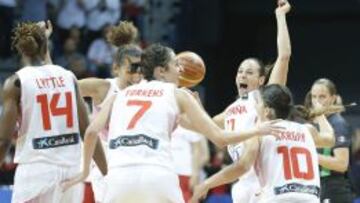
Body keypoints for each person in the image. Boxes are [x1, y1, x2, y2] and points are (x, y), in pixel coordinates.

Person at [62, 43, 284, 203]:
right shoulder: (177, 94)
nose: (180, 70)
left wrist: (84, 172)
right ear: (161, 71)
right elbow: (219, 137)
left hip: (118, 177)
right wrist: (257, 130)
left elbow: (91, 132)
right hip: (157, 175)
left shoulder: (119, 94)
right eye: (174, 65)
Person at [0, 21, 106, 203]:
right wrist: (107, 173)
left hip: (36, 171)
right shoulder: (68, 76)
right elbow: (87, 130)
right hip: (70, 172)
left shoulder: (16, 82)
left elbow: (4, 141)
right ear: (46, 47)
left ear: (21, 50)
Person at [192, 84, 336, 203]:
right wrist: (320, 113)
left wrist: (207, 183)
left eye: (258, 103)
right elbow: (330, 139)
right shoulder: (308, 130)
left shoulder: (259, 134)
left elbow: (242, 166)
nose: (255, 107)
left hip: (278, 198)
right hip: (310, 198)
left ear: (266, 110)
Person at [212, 0, 292, 202]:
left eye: (249, 72)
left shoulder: (265, 97)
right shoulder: (231, 109)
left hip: (263, 179)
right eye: (240, 71)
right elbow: (209, 125)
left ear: (261, 80)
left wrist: (280, 16)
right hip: (241, 182)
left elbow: (284, 56)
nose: (242, 76)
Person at [79, 21, 143, 203]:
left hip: (135, 161)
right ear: (116, 68)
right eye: (131, 69)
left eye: (140, 70)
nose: (137, 75)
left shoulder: (147, 90)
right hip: (106, 161)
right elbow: (65, 88)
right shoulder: (103, 87)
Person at [305, 78, 354, 203]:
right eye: (314, 96)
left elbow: (342, 164)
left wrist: (310, 155)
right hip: (315, 186)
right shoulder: (311, 122)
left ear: (332, 98)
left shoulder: (338, 123)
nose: (317, 101)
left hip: (333, 190)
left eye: (322, 97)